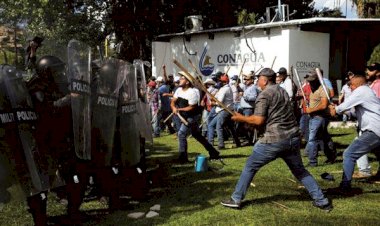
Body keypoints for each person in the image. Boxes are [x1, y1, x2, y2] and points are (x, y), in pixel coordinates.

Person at [220, 68, 332, 211]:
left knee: (250, 166)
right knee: (300, 171)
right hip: (292, 137)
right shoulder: (282, 91)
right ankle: (322, 201)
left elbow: (259, 120)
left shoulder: (264, 95)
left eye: (258, 78)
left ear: (265, 80)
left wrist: (240, 118)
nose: (257, 81)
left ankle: (236, 199)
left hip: (274, 140)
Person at [329, 74, 380, 194]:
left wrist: (335, 109)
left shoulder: (361, 90)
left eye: (350, 85)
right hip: (376, 128)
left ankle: (345, 187)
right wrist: (344, 111)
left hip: (374, 130)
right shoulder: (367, 92)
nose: (349, 87)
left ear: (358, 84)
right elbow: (356, 113)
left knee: (349, 154)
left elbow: (344, 106)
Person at [170, 71, 220, 163]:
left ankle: (183, 157)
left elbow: (191, 107)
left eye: (182, 78)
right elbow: (173, 101)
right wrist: (173, 108)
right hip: (184, 116)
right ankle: (213, 152)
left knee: (181, 134)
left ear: (188, 82)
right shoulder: (178, 90)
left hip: (192, 117)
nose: (180, 79)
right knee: (197, 135)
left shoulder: (192, 92)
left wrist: (179, 110)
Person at [304, 71, 336, 166]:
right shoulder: (312, 88)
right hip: (313, 117)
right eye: (309, 81)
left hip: (320, 117)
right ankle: (331, 157)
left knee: (312, 139)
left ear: (317, 80)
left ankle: (312, 162)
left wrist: (311, 110)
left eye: (312, 81)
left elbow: (323, 105)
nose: (310, 83)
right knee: (324, 138)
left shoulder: (323, 89)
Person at [207, 73, 234, 150]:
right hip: (225, 110)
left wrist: (213, 103)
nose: (218, 82)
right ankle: (210, 142)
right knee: (211, 125)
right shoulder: (224, 89)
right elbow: (216, 97)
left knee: (219, 127)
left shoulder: (224, 89)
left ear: (223, 82)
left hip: (223, 110)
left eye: (220, 81)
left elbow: (219, 102)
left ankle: (221, 144)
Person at [239, 72, 259, 145]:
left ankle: (251, 141)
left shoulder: (253, 87)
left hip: (249, 109)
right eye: (245, 79)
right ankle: (249, 140)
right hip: (245, 109)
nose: (245, 81)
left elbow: (254, 98)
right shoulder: (248, 87)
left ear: (252, 80)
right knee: (246, 126)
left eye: (247, 79)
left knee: (248, 126)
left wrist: (244, 96)